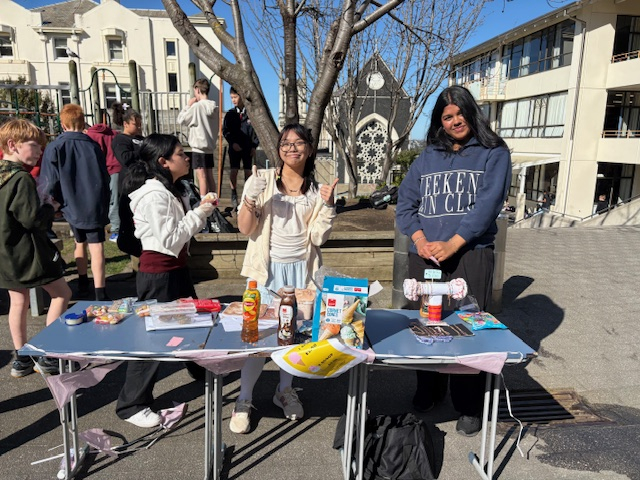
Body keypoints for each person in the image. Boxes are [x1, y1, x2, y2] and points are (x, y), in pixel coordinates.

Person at [395, 85, 511, 437]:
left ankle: (469, 403)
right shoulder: (427, 156)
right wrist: (420, 240)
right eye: (448, 116)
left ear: (471, 113)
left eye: (460, 113)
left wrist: (455, 243)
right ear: (440, 122)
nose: (455, 121)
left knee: (468, 329)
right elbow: (406, 204)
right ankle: (429, 388)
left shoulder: (494, 152)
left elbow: (487, 205)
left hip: (470, 254)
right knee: (425, 326)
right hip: (426, 256)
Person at [230, 123, 339, 434]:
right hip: (266, 273)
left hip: (301, 275)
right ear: (278, 149)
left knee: (292, 337)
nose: (291, 148)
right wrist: (250, 197)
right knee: (257, 338)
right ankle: (244, 398)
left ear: (309, 149)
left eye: (298, 142)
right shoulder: (262, 181)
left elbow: (317, 237)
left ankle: (284, 391)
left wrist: (329, 206)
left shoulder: (317, 191)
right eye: (285, 143)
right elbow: (245, 228)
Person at [115, 134, 217, 428]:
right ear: (163, 161)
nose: (187, 158)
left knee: (193, 320)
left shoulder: (170, 189)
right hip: (159, 273)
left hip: (175, 269)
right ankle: (131, 404)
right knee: (152, 339)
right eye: (181, 154)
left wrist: (198, 208)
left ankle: (198, 368)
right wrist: (201, 212)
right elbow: (171, 239)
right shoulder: (154, 195)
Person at [0, 119, 72, 378]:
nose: (41, 150)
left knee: (17, 301)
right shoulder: (21, 179)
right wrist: (50, 208)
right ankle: (48, 354)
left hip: (5, 252)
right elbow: (34, 220)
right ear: (13, 145)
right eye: (35, 145)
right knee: (62, 293)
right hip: (28, 253)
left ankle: (22, 357)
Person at [41, 104, 111, 301]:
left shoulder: (55, 147)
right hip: (94, 201)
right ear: (82, 122)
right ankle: (100, 291)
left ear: (63, 124)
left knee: (79, 241)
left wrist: (52, 203)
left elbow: (49, 180)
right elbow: (104, 175)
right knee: (97, 246)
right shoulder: (93, 146)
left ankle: (82, 282)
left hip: (69, 202)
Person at [177, 78, 218, 197]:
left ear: (197, 90)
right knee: (209, 176)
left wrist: (188, 106)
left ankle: (203, 202)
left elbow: (181, 119)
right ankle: (214, 201)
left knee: (201, 176)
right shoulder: (214, 107)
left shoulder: (197, 107)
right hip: (209, 147)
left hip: (198, 147)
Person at [222, 87, 259, 208]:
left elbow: (257, 132)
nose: (233, 100)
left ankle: (246, 194)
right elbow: (225, 131)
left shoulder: (251, 113)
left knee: (248, 172)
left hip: (248, 147)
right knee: (234, 170)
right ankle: (233, 194)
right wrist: (232, 143)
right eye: (231, 97)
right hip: (234, 147)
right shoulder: (230, 114)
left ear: (241, 97)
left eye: (235, 97)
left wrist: (254, 146)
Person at [86, 117, 120, 242]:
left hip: (102, 169)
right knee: (116, 199)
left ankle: (115, 229)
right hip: (118, 168)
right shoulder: (114, 133)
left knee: (105, 199)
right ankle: (116, 228)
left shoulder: (90, 136)